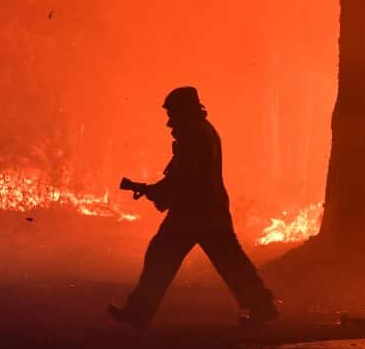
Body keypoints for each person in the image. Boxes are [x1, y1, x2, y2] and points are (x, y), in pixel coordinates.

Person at [107, 86, 277, 329]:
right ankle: (262, 307)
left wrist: (159, 192)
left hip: (193, 213)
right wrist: (160, 191)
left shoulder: (194, 136)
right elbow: (184, 175)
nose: (168, 122)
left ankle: (138, 313)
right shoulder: (200, 133)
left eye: (172, 114)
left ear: (184, 111)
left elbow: (186, 176)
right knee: (230, 262)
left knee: (161, 257)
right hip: (206, 211)